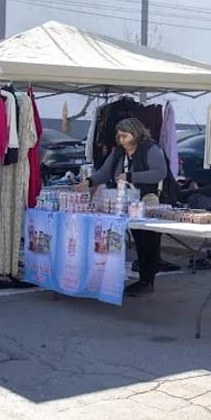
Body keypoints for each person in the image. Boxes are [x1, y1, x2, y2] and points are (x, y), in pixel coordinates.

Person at [76, 117, 166, 296]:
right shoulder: (118, 152)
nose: (121, 139)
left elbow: (159, 173)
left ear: (136, 133)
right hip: (127, 201)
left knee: (148, 239)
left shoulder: (151, 149)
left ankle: (147, 279)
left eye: (125, 135)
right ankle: (141, 277)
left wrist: (130, 176)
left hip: (149, 198)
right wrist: (88, 181)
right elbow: (104, 172)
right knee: (138, 238)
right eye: (119, 136)